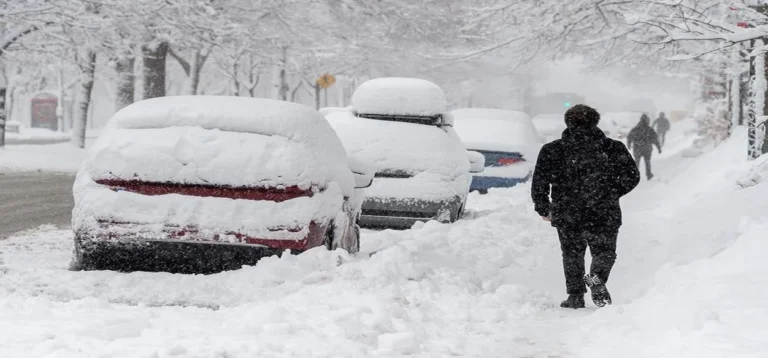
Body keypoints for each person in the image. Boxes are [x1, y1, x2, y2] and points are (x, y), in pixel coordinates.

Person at [531, 105, 640, 309]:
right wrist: (611, 192)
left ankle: (575, 296)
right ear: (595, 122)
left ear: (568, 123)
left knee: (572, 253)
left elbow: (539, 182)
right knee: (604, 251)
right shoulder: (613, 148)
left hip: (567, 210)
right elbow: (632, 176)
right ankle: (596, 277)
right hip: (604, 210)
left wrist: (543, 207)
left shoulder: (552, 150)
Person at [627, 114, 662, 181]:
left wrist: (629, 144)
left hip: (637, 149)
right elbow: (655, 139)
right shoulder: (650, 129)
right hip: (647, 149)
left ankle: (635, 175)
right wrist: (659, 148)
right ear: (647, 120)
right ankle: (648, 175)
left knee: (637, 162)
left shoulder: (635, 129)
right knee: (647, 162)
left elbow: (629, 137)